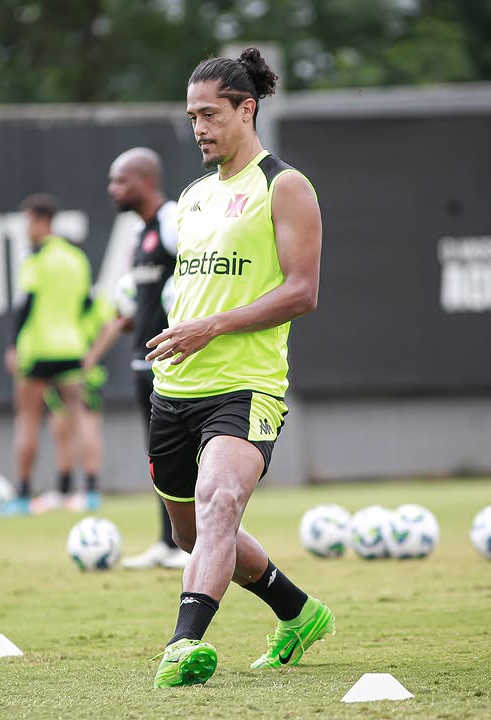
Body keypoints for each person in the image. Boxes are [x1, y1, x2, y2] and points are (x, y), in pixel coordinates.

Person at [145, 48, 333, 688]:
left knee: (221, 501)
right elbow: (199, 289)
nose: (198, 127)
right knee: (191, 533)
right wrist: (181, 328)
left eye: (210, 114)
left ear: (246, 109)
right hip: (175, 389)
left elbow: (302, 290)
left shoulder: (285, 185)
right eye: (191, 116)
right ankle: (297, 611)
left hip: (247, 384)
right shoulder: (193, 197)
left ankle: (183, 645)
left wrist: (211, 327)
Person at [92, 147, 188, 570]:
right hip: (142, 364)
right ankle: (168, 544)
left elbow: (196, 275)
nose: (113, 189)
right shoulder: (141, 234)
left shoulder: (172, 222)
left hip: (174, 365)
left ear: (146, 181)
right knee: (160, 459)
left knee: (189, 459)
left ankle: (194, 546)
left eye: (120, 181)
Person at [1, 193, 92, 515]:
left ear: (42, 221)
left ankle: (23, 493)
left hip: (39, 348)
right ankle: (88, 490)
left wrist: (12, 344)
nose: (26, 229)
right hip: (71, 346)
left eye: (28, 222)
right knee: (78, 418)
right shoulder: (76, 258)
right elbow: (85, 304)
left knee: (27, 419)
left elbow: (25, 303)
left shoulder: (36, 258)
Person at [42, 289, 115, 513]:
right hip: (60, 369)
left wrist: (91, 358)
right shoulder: (61, 297)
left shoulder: (93, 298)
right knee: (59, 427)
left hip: (85, 374)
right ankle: (63, 489)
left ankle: (91, 489)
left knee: (87, 424)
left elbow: (110, 327)